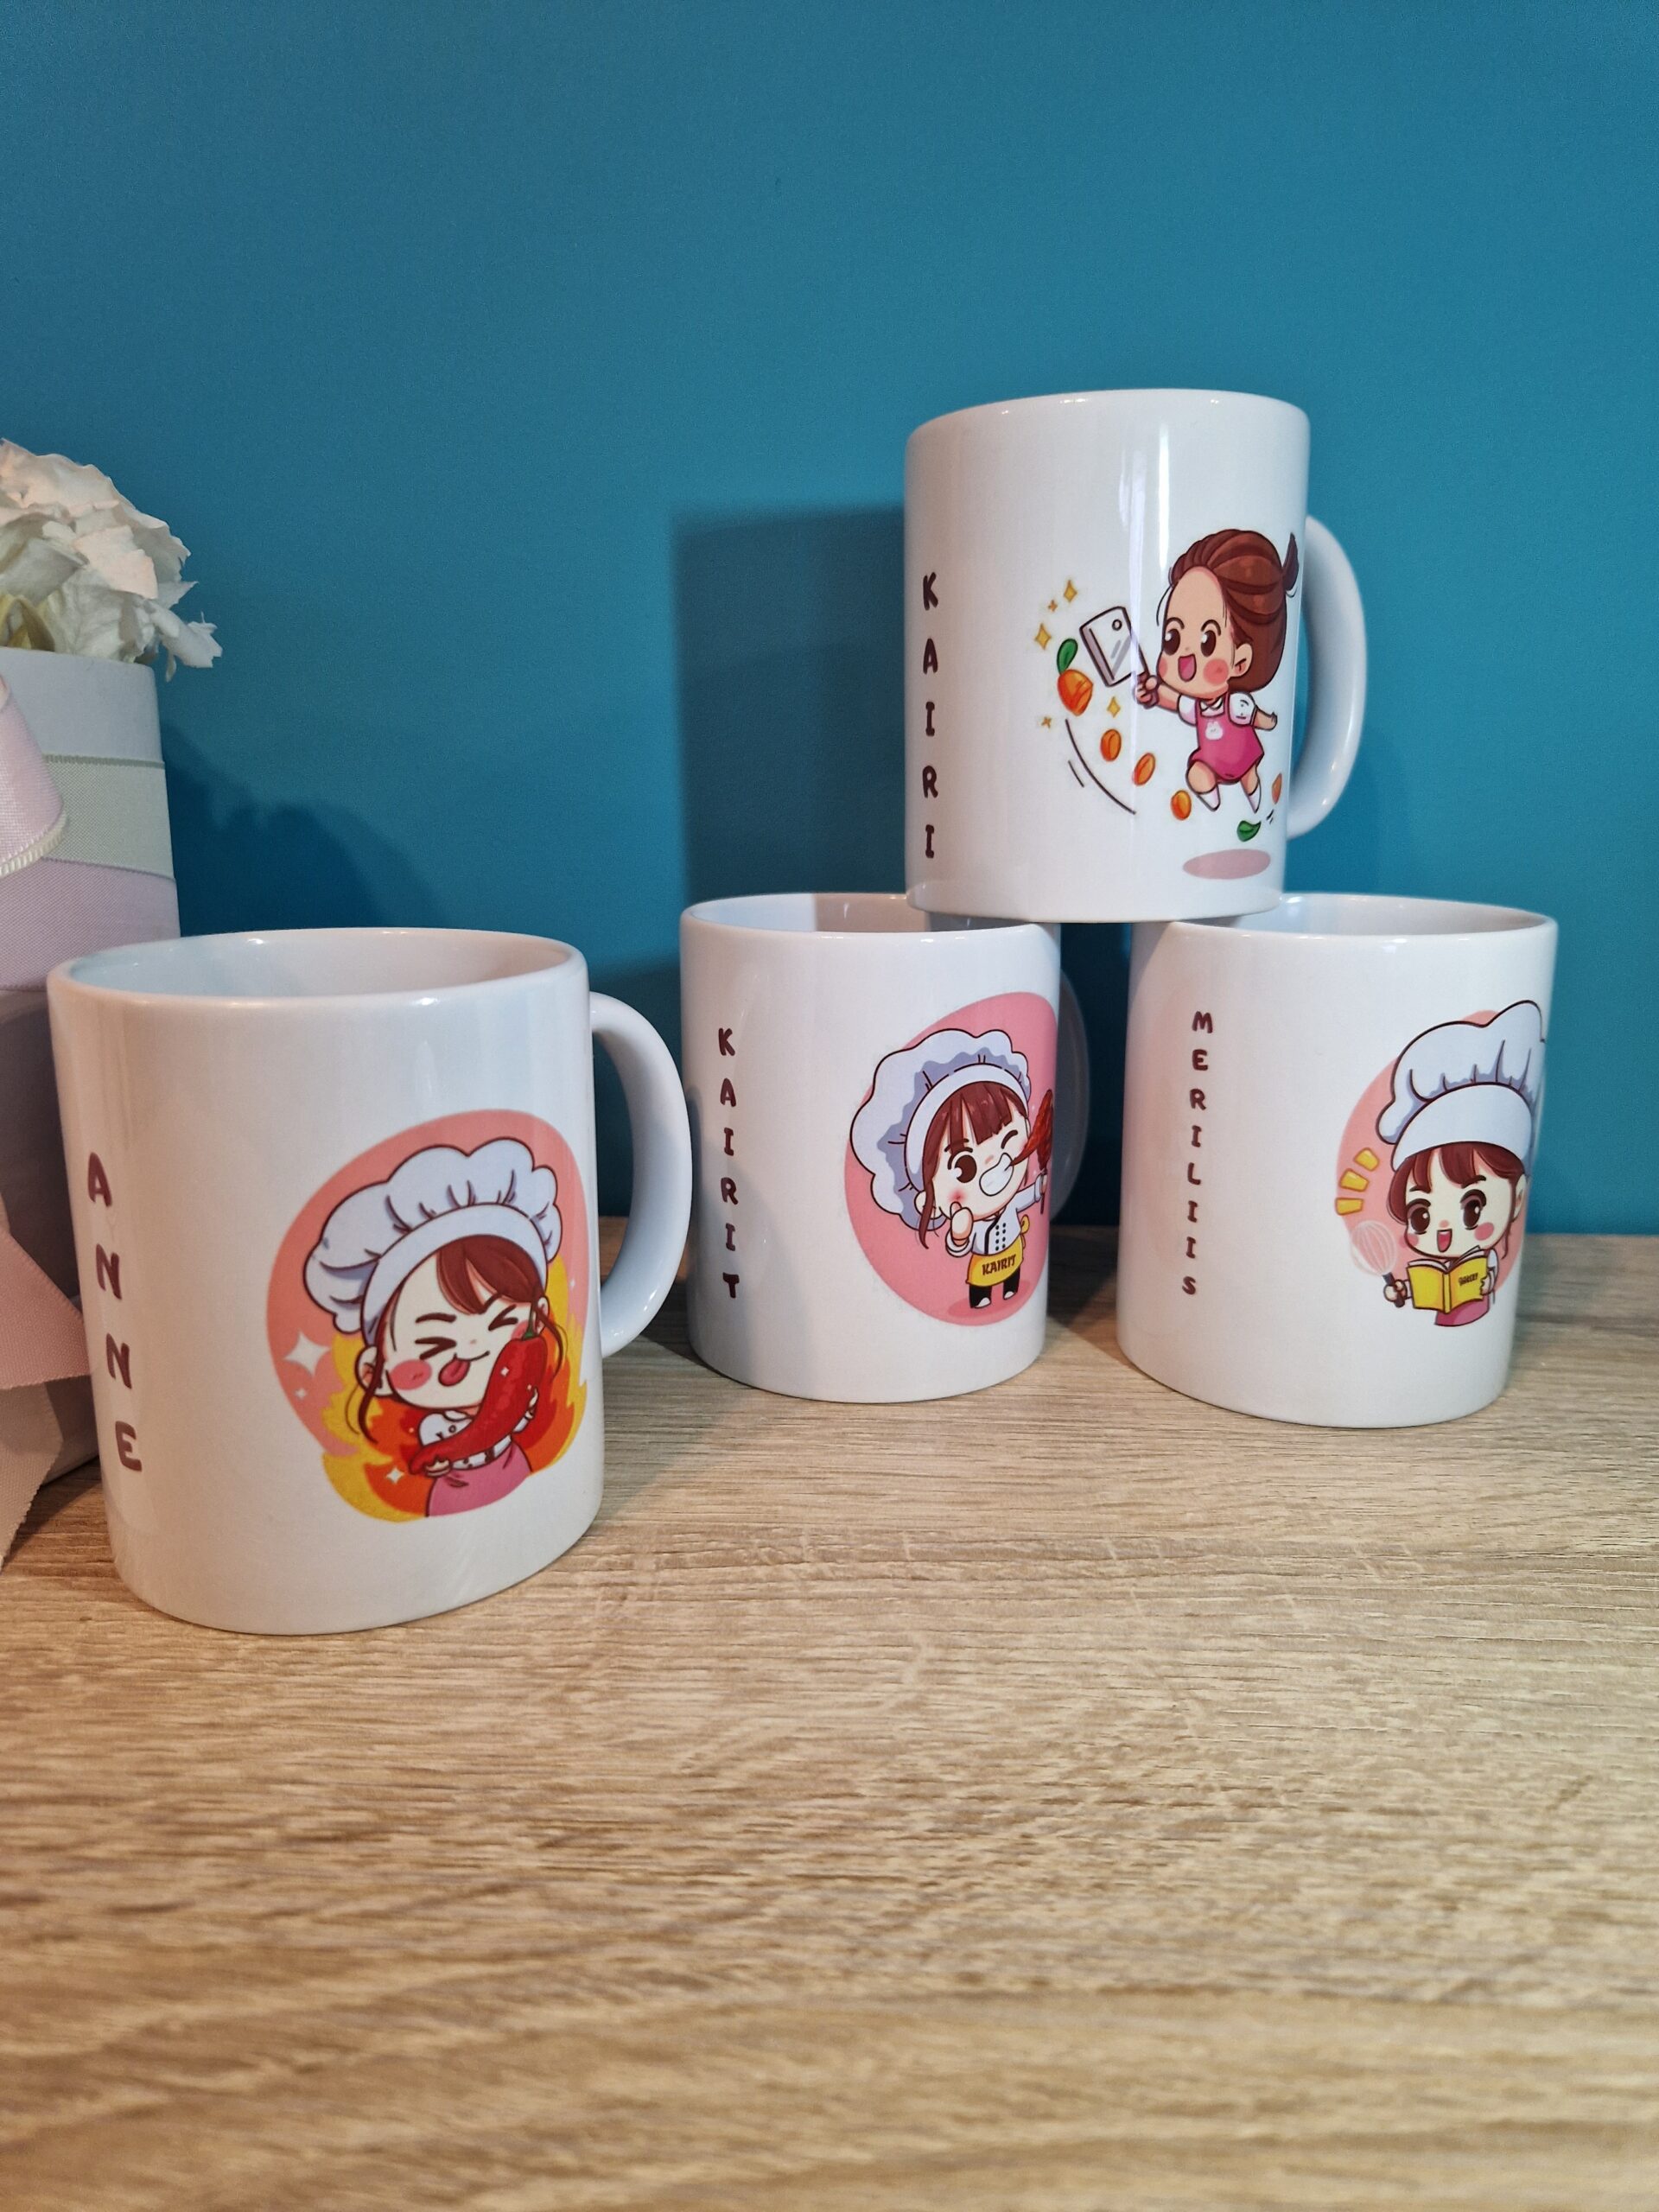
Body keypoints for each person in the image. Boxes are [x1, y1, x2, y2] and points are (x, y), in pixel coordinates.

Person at [305, 1137, 564, 1513]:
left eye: (502, 1322)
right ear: (374, 1372)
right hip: (453, 1493)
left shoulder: (522, 1397)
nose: (474, 1346)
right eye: (434, 1343)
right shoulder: (437, 1431)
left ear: (538, 1315)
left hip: (522, 1477)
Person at [851, 1028, 1052, 1309]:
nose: (995, 1163)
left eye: (1009, 1141)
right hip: (983, 1262)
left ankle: (1010, 1289)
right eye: (965, 1167)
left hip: (1012, 1253)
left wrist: (1039, 1187)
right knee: (980, 1284)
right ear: (929, 1200)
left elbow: (1024, 1198)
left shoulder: (1010, 1206)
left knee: (1012, 1275)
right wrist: (959, 1234)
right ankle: (981, 1297)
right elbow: (959, 1246)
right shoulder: (970, 1220)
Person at [1376, 1001, 1545, 1327]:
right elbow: (1419, 1288)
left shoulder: (1487, 1260)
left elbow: (1487, 1279)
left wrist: (1479, 1284)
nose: (1443, 1229)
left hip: (1479, 1332)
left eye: (1472, 1208)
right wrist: (1401, 1291)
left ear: (1517, 1197)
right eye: (1421, 1215)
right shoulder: (1433, 1270)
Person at [1135, 528, 1298, 814]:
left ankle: (1252, 803)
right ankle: (1211, 811)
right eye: (1172, 639)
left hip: (1241, 757)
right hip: (1211, 762)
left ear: (1240, 662)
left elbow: (1255, 717)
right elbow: (1174, 701)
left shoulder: (1236, 703)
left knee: (1249, 778)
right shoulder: (1197, 707)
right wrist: (1154, 693)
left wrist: (1270, 721)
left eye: (1207, 642)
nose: (1185, 657)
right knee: (1197, 775)